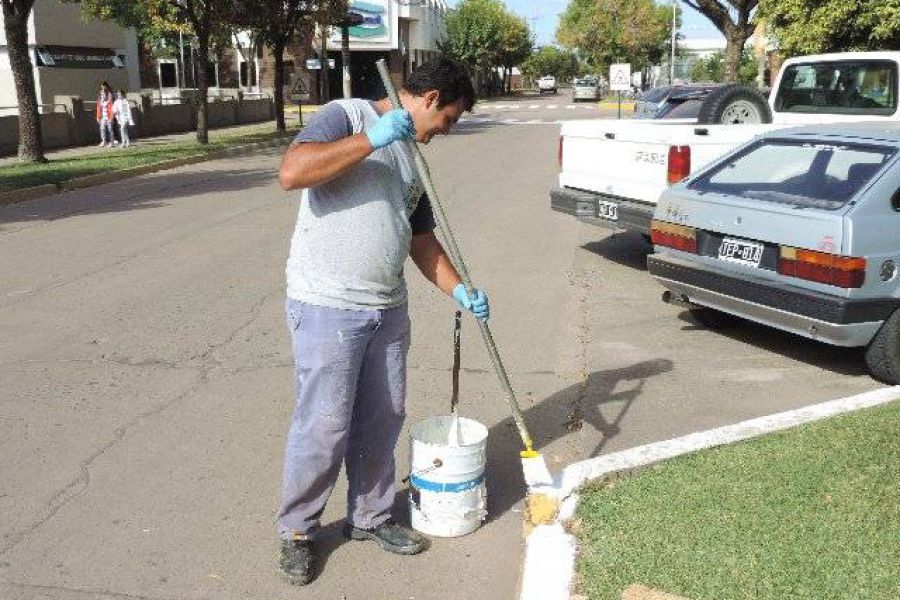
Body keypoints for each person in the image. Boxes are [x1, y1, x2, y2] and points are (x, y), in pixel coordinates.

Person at [275, 57, 487, 586]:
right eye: (450, 118)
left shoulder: (414, 155)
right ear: (431, 98)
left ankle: (368, 518)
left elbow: (420, 239)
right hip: (326, 303)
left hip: (386, 307)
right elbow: (292, 172)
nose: (447, 131)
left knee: (382, 418)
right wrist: (372, 138)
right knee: (323, 426)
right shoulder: (344, 116)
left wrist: (457, 287)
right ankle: (299, 531)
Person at [95, 81, 116, 147]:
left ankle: (111, 142)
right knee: (102, 128)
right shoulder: (100, 101)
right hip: (103, 117)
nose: (102, 95)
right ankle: (104, 141)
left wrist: (112, 117)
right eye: (101, 95)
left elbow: (112, 108)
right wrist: (98, 117)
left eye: (103, 94)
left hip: (109, 116)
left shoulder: (110, 97)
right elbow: (98, 108)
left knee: (110, 129)